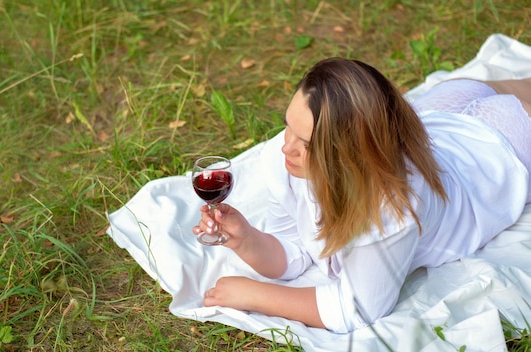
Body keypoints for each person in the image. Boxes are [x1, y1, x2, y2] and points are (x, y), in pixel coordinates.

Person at [192, 57, 531, 333]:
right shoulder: (290, 162)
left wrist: (256, 294)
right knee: (478, 88)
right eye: (288, 126)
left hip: (506, 144)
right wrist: (246, 239)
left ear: (353, 155)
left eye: (307, 144)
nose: (285, 147)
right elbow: (295, 249)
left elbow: (359, 309)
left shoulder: (391, 207)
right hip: (443, 109)